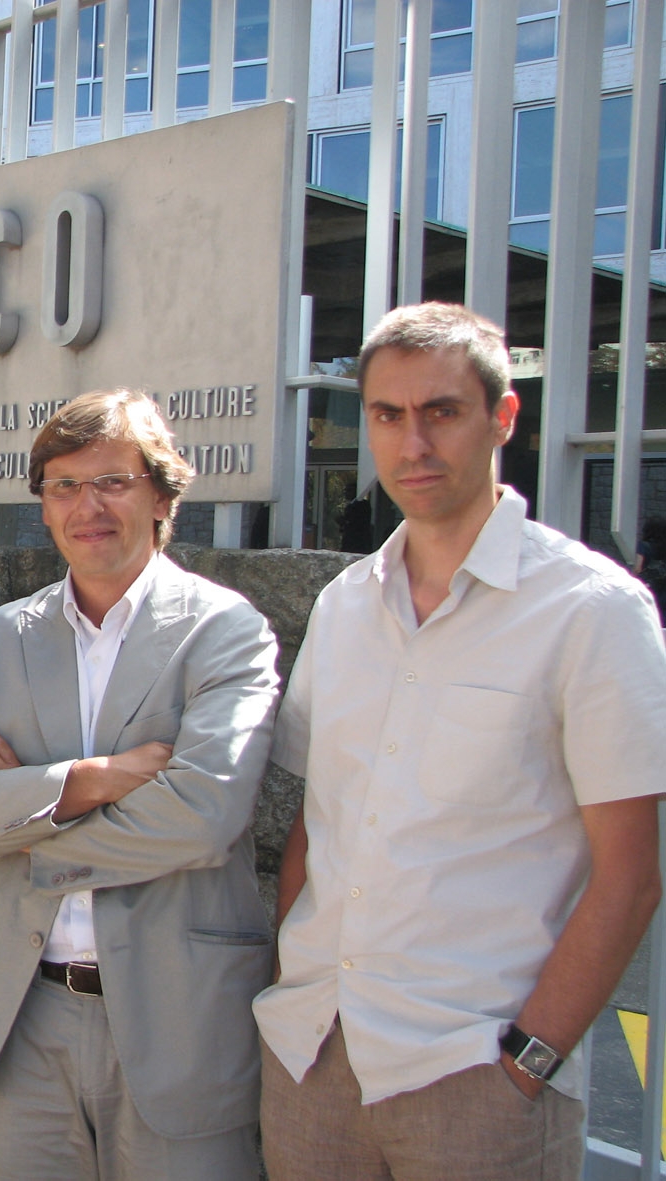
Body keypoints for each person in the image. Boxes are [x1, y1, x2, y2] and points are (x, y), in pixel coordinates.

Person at [255, 302, 666, 1179]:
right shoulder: (342, 606)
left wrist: (527, 1063)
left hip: (473, 1072)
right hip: (314, 1056)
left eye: (441, 411)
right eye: (386, 415)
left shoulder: (591, 610)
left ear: (501, 418)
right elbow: (315, 825)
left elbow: (629, 874)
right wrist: (292, 989)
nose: (413, 443)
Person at [0, 389, 280, 1180]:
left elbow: (202, 815)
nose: (89, 505)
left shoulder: (225, 629)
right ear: (42, 507)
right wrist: (92, 780)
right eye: (64, 486)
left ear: (160, 493)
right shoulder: (1, 637)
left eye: (112, 480)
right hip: (25, 1017)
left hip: (179, 1020)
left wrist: (22, 821)